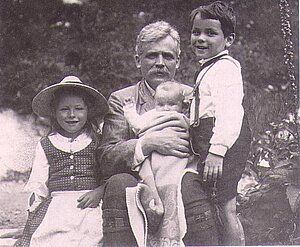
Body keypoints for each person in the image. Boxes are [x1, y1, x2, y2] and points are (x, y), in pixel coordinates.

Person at [97, 21, 219, 247]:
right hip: (140, 180)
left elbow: (210, 145)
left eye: (168, 56)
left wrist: (187, 146)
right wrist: (147, 143)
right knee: (118, 182)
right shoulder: (123, 100)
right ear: (138, 60)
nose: (160, 63)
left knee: (191, 183)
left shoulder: (193, 97)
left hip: (179, 174)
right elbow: (106, 157)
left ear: (178, 61)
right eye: (152, 56)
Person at [14, 76, 108, 247]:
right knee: (49, 239)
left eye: (79, 108)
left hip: (90, 206)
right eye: (64, 109)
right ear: (55, 113)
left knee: (91, 238)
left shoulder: (97, 141)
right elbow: (39, 185)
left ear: (88, 111)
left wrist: (99, 192)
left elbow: (109, 174)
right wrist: (33, 216)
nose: (72, 115)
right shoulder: (46, 144)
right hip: (57, 209)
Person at [189, 1, 252, 245]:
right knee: (215, 203)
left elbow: (229, 112)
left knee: (226, 206)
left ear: (228, 40)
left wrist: (218, 150)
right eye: (196, 32)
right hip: (211, 138)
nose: (201, 39)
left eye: (210, 33)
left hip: (224, 143)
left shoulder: (225, 68)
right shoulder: (211, 67)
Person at [123, 80, 193, 245]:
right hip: (155, 157)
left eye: (172, 104)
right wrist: (129, 109)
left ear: (181, 105)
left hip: (175, 159)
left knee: (174, 190)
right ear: (155, 103)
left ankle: (171, 237)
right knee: (150, 178)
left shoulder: (183, 118)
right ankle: (155, 226)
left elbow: (193, 131)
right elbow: (136, 124)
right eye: (161, 104)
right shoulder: (151, 115)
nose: (166, 109)